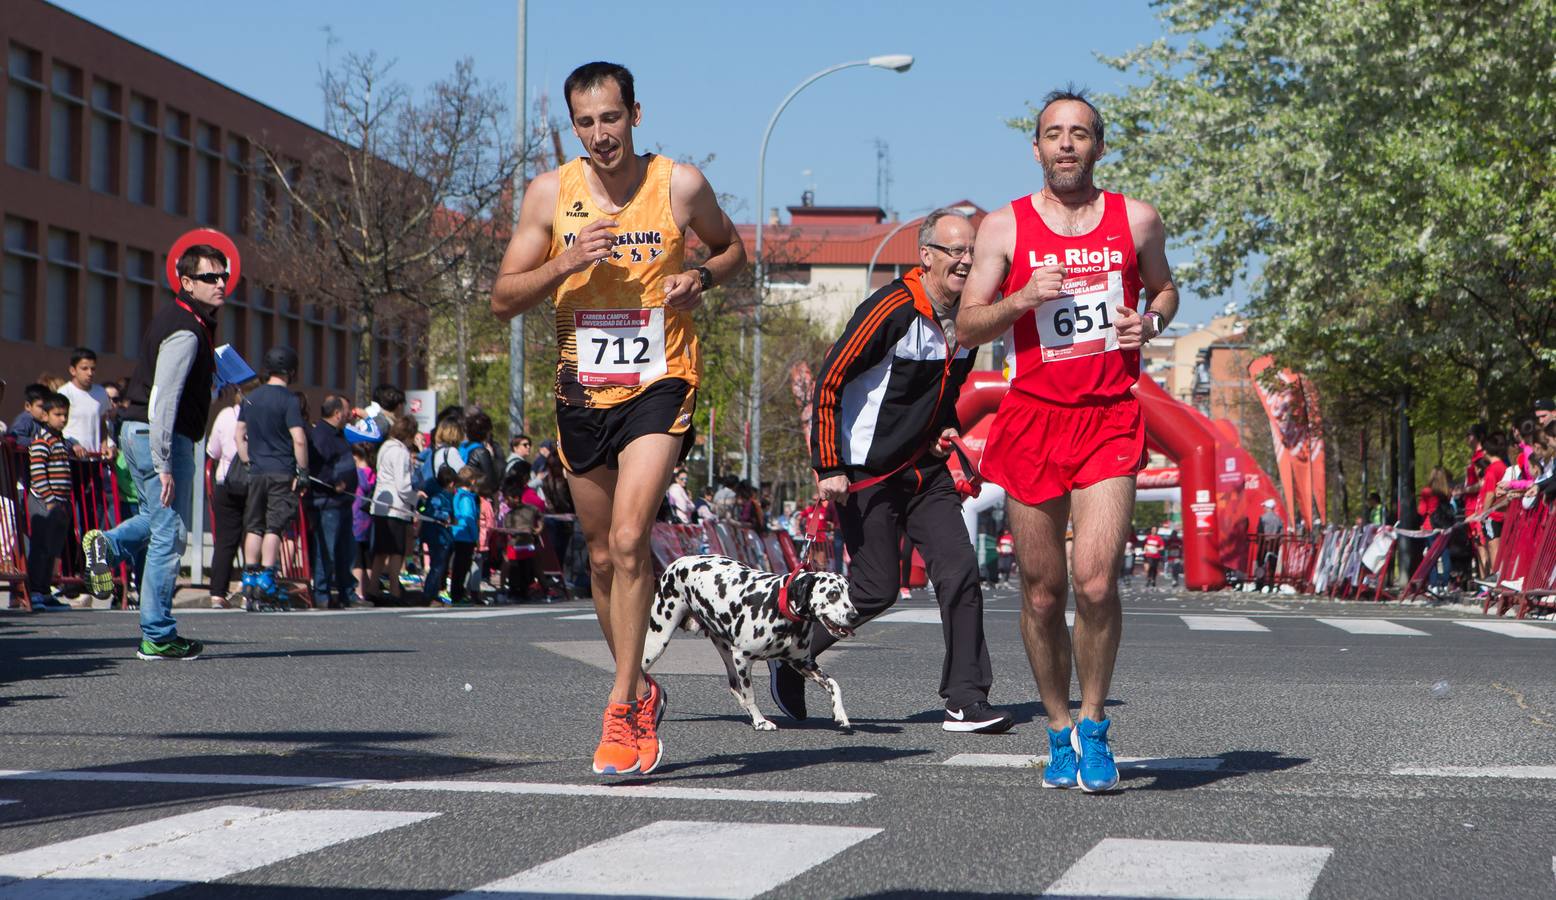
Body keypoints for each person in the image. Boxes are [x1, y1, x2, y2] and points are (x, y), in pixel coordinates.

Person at [490, 61, 745, 776]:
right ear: (574, 127)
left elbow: (733, 251)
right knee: (603, 556)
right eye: (586, 122)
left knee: (633, 537)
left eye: (612, 117)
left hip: (662, 380)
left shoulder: (679, 185)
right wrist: (564, 262)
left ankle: (624, 702)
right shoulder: (550, 194)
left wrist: (700, 277)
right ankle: (641, 681)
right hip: (582, 388)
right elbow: (503, 299)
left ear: (635, 112)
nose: (601, 134)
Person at [956, 88, 1180, 792]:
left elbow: (1165, 290)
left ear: (1098, 147)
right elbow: (966, 325)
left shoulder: (1135, 219)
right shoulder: (1004, 228)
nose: (1066, 144)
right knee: (1044, 592)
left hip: (1108, 414)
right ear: (1036, 148)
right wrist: (1024, 300)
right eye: (1053, 133)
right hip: (1031, 419)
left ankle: (1094, 724)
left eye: (1079, 133)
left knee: (1095, 580)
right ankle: (1056, 728)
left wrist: (1153, 322)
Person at [797, 207, 1012, 734]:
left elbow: (948, 389)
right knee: (875, 590)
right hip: (865, 471)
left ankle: (966, 699)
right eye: (955, 251)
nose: (966, 261)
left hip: (924, 471)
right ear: (927, 256)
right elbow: (830, 380)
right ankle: (794, 650)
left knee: (960, 572)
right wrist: (829, 465)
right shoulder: (892, 307)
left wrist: (943, 427)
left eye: (973, 252)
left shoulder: (971, 319)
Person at [83, 243, 228, 660]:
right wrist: (165, 460)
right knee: (170, 532)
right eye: (209, 277)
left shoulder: (184, 319)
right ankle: (158, 633)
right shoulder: (185, 327)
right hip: (160, 435)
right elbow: (163, 397)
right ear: (186, 282)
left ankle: (107, 547)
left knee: (154, 519)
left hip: (140, 431)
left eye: (223, 276)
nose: (220, 284)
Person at [234, 347, 308, 610]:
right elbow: (298, 438)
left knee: (254, 524)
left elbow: (238, 434)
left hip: (256, 471)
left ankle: (248, 578)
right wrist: (303, 471)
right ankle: (267, 578)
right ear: (291, 370)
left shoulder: (250, 398)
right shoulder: (288, 400)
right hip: (281, 471)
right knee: (274, 526)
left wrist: (247, 459)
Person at [307, 395, 360, 608]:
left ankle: (347, 592)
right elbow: (317, 465)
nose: (348, 415)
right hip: (327, 502)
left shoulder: (339, 435)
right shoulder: (320, 435)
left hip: (343, 502)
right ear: (337, 413)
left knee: (345, 550)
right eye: (346, 411)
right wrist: (332, 482)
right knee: (326, 550)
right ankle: (322, 594)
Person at [25, 392, 74, 611]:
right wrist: (51, 501)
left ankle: (45, 592)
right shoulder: (41, 442)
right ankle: (35, 591)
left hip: (60, 503)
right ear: (44, 416)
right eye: (57, 414)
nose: (62, 419)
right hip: (44, 502)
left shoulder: (61, 441)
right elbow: (38, 474)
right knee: (41, 547)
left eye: (65, 415)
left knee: (54, 548)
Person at [369, 413, 420, 604]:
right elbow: (403, 486)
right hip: (396, 507)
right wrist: (415, 499)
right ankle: (395, 590)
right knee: (396, 551)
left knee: (381, 551)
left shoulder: (385, 447)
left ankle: (373, 587)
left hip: (380, 505)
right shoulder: (401, 452)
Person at [205, 387, 246, 609]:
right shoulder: (258, 415)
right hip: (252, 481)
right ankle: (251, 588)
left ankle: (217, 593)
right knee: (252, 535)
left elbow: (213, 451)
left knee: (225, 540)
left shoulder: (225, 415)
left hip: (225, 480)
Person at [59, 347, 113, 460]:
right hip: (70, 457)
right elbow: (56, 426)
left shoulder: (101, 392)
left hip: (94, 458)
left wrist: (105, 445)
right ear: (73, 370)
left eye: (93, 369)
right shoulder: (64, 392)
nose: (90, 373)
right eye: (84, 368)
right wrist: (72, 444)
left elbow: (102, 423)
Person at [447, 466, 482, 604]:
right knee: (462, 567)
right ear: (472, 481)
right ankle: (458, 595)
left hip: (457, 535)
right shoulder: (466, 498)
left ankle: (457, 593)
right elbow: (469, 519)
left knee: (459, 567)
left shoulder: (458, 495)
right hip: (465, 537)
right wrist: (475, 537)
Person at [422, 467, 457, 604]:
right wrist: (446, 516)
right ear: (451, 483)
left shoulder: (439, 495)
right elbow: (433, 513)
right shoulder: (440, 496)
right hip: (438, 536)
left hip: (441, 535)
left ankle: (433, 592)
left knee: (439, 566)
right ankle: (429, 593)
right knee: (437, 566)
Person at [350, 443, 376, 597]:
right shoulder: (372, 473)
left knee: (357, 557)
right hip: (369, 519)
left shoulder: (356, 474)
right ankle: (368, 590)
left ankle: (358, 592)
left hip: (356, 518)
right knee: (367, 556)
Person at [1255, 499, 1283, 592]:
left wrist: (1258, 541)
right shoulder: (1278, 519)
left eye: (1264, 507)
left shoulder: (1262, 518)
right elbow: (1281, 533)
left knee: (1261, 563)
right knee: (1272, 564)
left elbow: (1259, 531)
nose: (1264, 509)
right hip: (1274, 544)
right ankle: (1271, 584)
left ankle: (1259, 584)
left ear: (1267, 507)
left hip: (1264, 543)